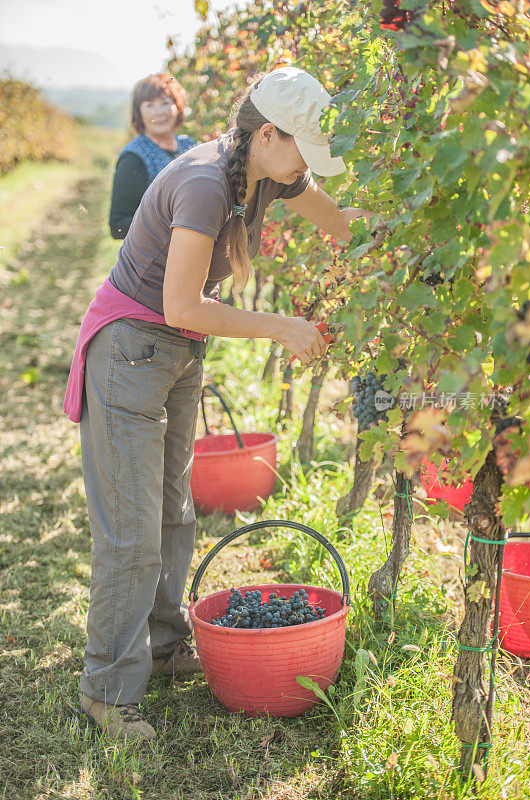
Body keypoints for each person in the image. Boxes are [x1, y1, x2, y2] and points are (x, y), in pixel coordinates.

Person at [64, 66, 376, 741]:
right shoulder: (206, 184)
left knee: (175, 509)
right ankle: (107, 689)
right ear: (267, 133)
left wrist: (405, 230)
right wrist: (282, 328)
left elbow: (336, 223)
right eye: (302, 148)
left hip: (173, 351)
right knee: (131, 529)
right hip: (132, 351)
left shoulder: (266, 169)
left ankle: (166, 642)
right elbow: (181, 304)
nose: (305, 168)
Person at [109, 72, 196, 239]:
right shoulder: (134, 158)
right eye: (149, 105)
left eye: (165, 103)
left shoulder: (190, 146)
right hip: (154, 260)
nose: (159, 112)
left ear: (177, 107)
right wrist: (170, 222)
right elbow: (118, 226)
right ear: (139, 113)